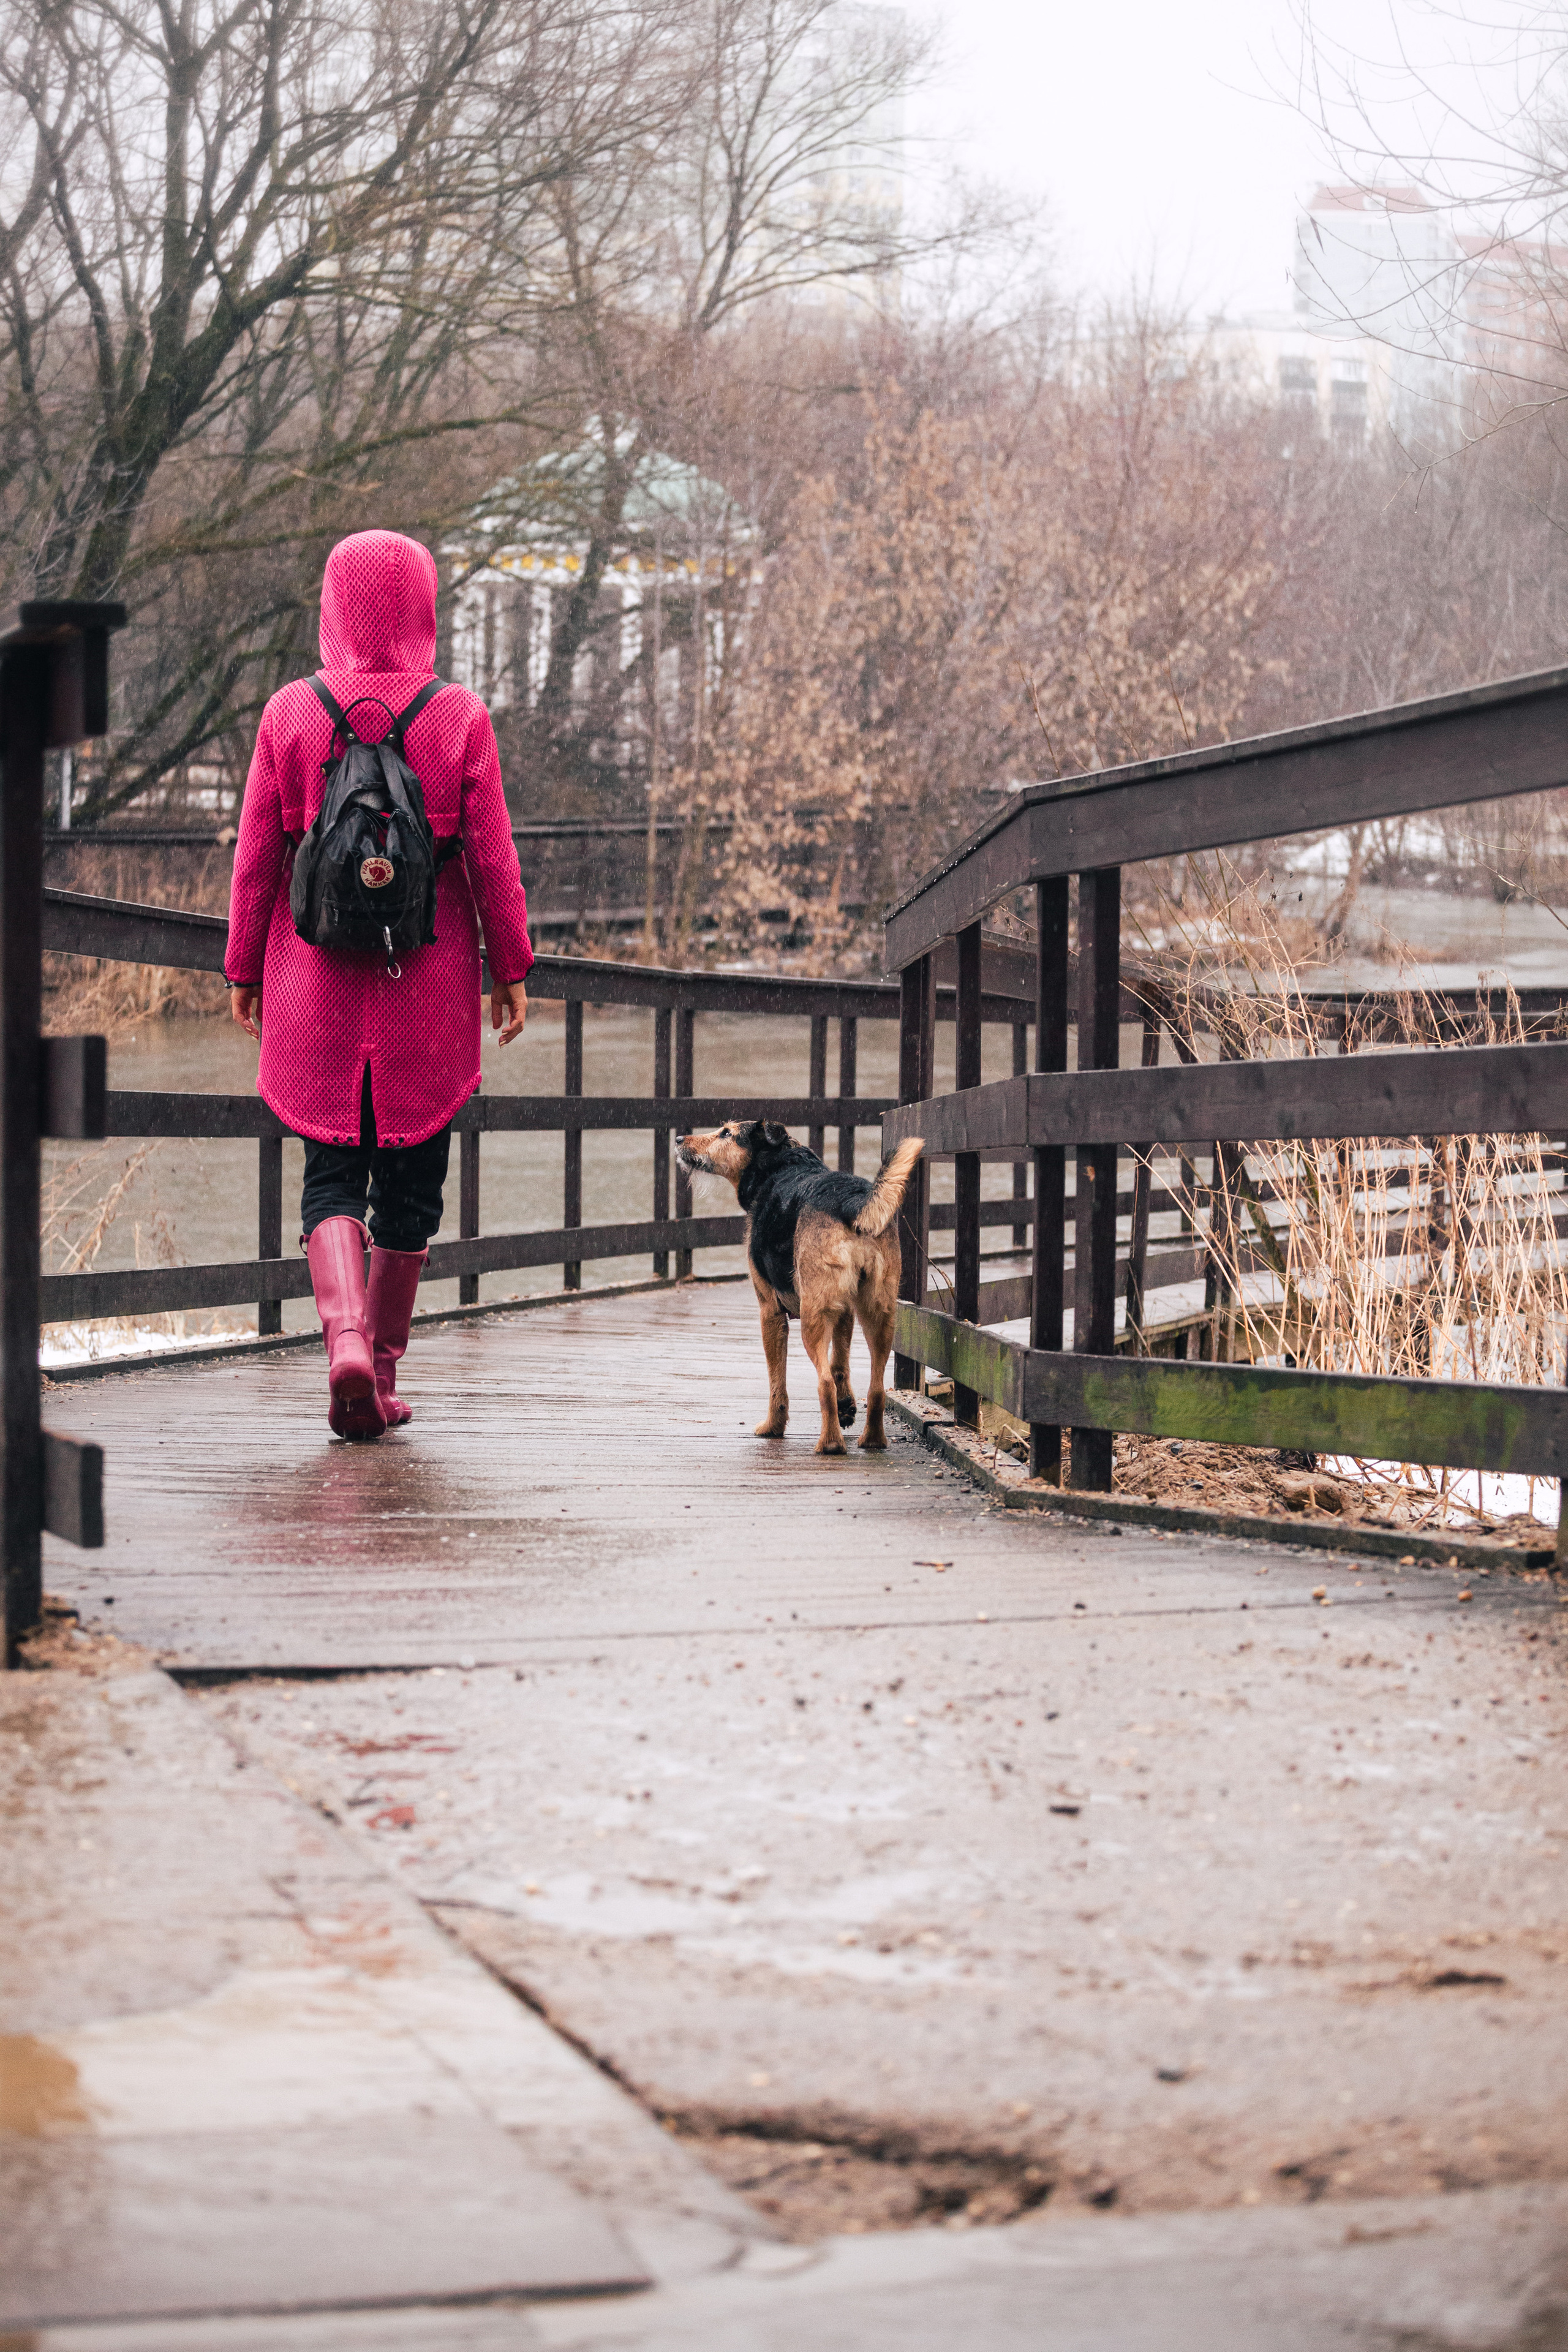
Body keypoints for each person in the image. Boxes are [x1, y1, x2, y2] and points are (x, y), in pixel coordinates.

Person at [225, 529, 533, 1438]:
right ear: (423, 606)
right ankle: (383, 1373)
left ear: (333, 605)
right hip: (426, 987)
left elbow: (255, 859)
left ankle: (345, 1344)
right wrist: (512, 966)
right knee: (412, 1185)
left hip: (313, 987)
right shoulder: (457, 716)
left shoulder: (290, 713)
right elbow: (492, 860)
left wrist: (243, 964)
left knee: (330, 1175)